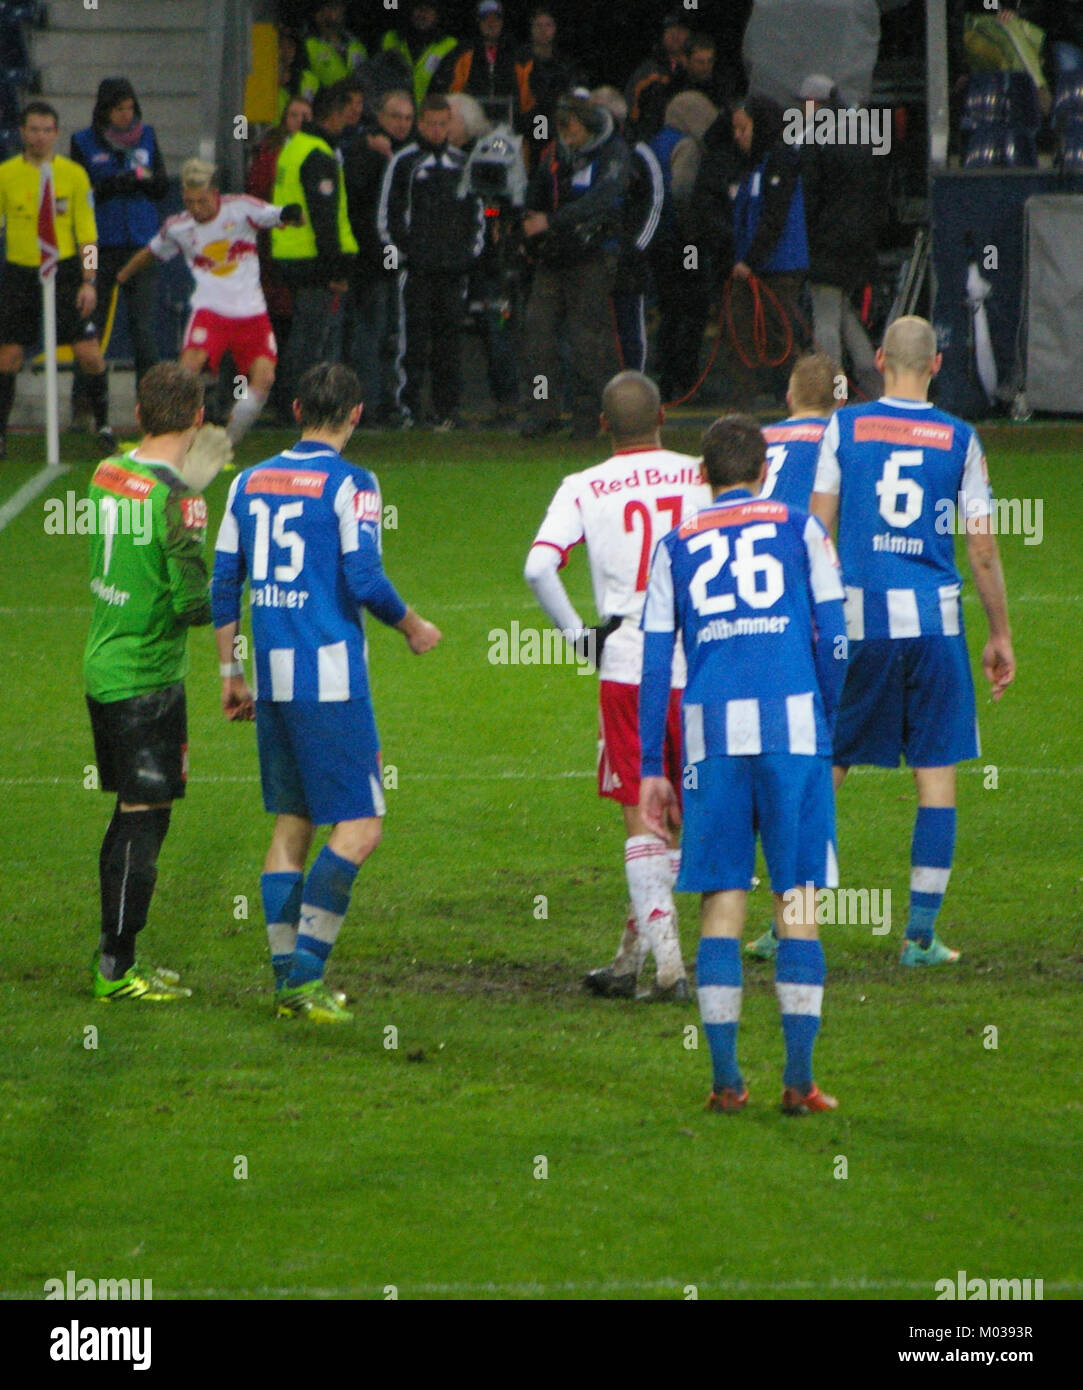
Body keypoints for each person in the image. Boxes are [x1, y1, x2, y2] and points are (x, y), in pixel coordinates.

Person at [211, 362, 441, 1023]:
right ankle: (304, 978)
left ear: (294, 408)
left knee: (293, 824)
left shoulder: (247, 482)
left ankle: (287, 977)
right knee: (361, 828)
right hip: (331, 679)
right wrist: (413, 626)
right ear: (357, 415)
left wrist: (230, 673)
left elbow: (225, 583)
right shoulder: (352, 484)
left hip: (275, 680)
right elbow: (364, 578)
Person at [639, 413, 848, 1113]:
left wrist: (649, 764)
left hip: (709, 739)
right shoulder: (802, 528)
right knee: (797, 900)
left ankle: (726, 1083)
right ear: (764, 470)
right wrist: (826, 710)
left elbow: (650, 665)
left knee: (723, 901)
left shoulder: (675, 544)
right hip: (793, 729)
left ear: (702, 475)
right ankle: (799, 1082)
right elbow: (835, 637)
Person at [810, 316, 1016, 966]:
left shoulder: (842, 426)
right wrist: (1000, 633)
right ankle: (918, 936)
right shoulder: (959, 438)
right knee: (935, 774)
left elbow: (816, 530)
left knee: (825, 767)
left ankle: (786, 919)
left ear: (876, 360)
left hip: (858, 621)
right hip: (934, 625)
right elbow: (980, 549)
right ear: (935, 365)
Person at [525, 370, 711, 1001]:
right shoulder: (701, 471)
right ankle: (632, 958)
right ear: (664, 416)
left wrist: (580, 637)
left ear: (603, 425)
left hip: (629, 662)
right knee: (680, 813)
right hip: (703, 657)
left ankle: (668, 969)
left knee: (641, 813)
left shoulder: (582, 485)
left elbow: (538, 566)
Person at [84, 363, 211, 1001]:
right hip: (147, 678)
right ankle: (116, 968)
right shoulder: (178, 500)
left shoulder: (107, 472)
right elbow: (193, 604)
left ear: (139, 415)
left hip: (104, 663)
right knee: (144, 818)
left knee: (130, 811)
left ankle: (119, 957)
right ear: (196, 418)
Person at [745, 349, 843, 961]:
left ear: (788, 395)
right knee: (820, 761)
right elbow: (830, 528)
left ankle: (781, 912)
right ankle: (797, 914)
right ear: (839, 398)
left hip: (754, 619)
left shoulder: (756, 439)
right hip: (820, 611)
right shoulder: (841, 436)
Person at [116, 158, 304, 448]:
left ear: (215, 193)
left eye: (202, 201)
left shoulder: (240, 208)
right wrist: (122, 274)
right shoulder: (179, 227)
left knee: (264, 378)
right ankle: (160, 442)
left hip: (251, 312)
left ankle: (224, 446)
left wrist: (294, 215)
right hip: (209, 310)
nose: (196, 208)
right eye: (189, 201)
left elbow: (279, 215)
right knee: (185, 373)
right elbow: (152, 251)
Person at [0, 101, 115, 461]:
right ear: (22, 133)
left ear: (56, 133)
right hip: (20, 274)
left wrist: (89, 280)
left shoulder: (74, 175)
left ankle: (105, 426)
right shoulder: (5, 174)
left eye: (46, 129)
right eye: (33, 129)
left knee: (89, 354)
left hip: (64, 273)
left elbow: (88, 234)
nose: (39, 136)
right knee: (9, 356)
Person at [520, 93, 630, 439]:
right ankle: (543, 410)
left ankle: (589, 416)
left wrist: (551, 221)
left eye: (573, 131)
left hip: (591, 257)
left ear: (590, 126)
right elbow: (535, 191)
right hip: (552, 257)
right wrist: (526, 221)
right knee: (537, 336)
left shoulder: (614, 153)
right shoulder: (555, 154)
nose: (567, 139)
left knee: (589, 341)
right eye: (562, 131)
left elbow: (604, 198)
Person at [377, 94, 485, 430]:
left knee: (449, 343)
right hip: (417, 271)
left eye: (444, 124)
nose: (438, 131)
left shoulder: (463, 162)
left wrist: (470, 254)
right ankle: (406, 409)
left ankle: (446, 411)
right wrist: (402, 257)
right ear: (421, 124)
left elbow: (479, 213)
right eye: (431, 124)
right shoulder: (405, 162)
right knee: (412, 341)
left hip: (454, 271)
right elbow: (387, 215)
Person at [69, 78, 167, 427]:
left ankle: (153, 410)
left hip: (143, 247)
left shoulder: (148, 136)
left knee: (143, 329)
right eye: (118, 108)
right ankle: (84, 404)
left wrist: (141, 180)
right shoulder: (82, 142)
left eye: (130, 107)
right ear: (104, 110)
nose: (126, 115)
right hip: (97, 246)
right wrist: (110, 185)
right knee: (89, 329)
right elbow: (80, 193)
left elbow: (162, 186)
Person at [271, 82, 360, 403]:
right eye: (347, 113)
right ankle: (302, 404)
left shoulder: (295, 147)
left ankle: (292, 402)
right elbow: (324, 216)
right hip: (313, 260)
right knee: (313, 339)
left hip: (293, 254)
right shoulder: (317, 154)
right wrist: (335, 268)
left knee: (302, 336)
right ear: (333, 116)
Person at [798, 75, 884, 402]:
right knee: (844, 316)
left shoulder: (815, 137)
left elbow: (810, 196)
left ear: (814, 103)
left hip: (827, 243)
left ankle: (832, 395)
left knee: (825, 321)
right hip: (861, 245)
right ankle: (875, 386)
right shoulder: (862, 134)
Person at [723, 93, 810, 407]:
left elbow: (774, 217)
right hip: (752, 268)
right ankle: (740, 407)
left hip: (779, 267)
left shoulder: (780, 161)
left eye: (743, 129)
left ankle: (807, 404)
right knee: (740, 335)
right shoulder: (754, 165)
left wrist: (750, 260)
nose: (738, 137)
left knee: (781, 339)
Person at [343, 88, 416, 425]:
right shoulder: (366, 152)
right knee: (369, 337)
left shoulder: (408, 156)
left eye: (407, 118)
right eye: (395, 116)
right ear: (381, 118)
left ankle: (388, 405)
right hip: (371, 264)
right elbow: (364, 212)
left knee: (389, 337)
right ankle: (368, 409)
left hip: (394, 265)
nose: (402, 124)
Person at [589, 86, 664, 377]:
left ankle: (634, 388)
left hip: (626, 259)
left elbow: (655, 203)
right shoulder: (583, 153)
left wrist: (633, 249)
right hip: (590, 257)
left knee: (629, 325)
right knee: (590, 328)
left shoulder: (638, 152)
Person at [648, 90, 718, 403]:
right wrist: (695, 236)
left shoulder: (656, 142)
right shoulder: (688, 145)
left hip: (658, 241)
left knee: (669, 310)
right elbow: (683, 192)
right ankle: (687, 380)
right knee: (692, 309)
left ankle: (662, 380)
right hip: (683, 242)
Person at [435, 1, 520, 126]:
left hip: (509, 122)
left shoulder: (515, 53)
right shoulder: (462, 53)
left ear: (502, 22)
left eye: (495, 19)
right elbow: (452, 93)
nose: (491, 24)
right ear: (478, 23)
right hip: (472, 123)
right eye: (486, 19)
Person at [625, 12, 691, 140]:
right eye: (670, 31)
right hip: (655, 136)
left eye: (680, 31)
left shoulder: (697, 65)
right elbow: (632, 108)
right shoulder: (649, 70)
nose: (675, 36)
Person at [380, 1, 459, 107]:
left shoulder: (449, 45)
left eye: (428, 10)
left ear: (437, 15)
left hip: (429, 116)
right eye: (419, 9)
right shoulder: (390, 39)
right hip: (394, 114)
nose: (423, 15)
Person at [305, 0, 367, 93]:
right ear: (319, 14)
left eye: (340, 7)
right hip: (327, 103)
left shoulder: (356, 44)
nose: (339, 11)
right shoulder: (308, 46)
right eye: (333, 7)